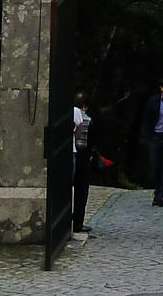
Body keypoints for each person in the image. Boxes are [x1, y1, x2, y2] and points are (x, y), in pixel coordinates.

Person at [139, 76, 163, 205]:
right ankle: (158, 193)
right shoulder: (153, 102)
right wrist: (149, 135)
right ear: (162, 88)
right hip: (156, 137)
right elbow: (147, 119)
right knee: (156, 167)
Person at [72, 92, 93, 233]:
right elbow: (91, 141)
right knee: (81, 191)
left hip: (72, 152)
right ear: (85, 106)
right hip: (83, 156)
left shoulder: (69, 114)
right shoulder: (88, 120)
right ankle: (78, 223)